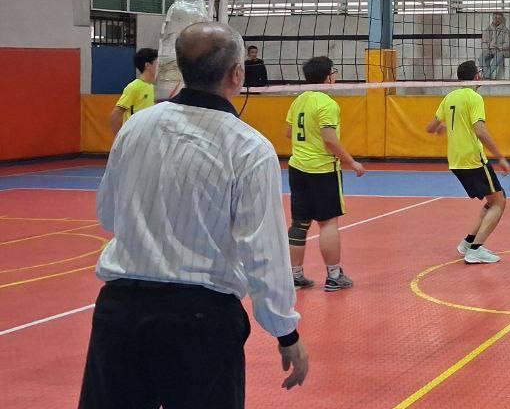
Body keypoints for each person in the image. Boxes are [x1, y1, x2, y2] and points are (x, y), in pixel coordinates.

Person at [80, 22, 307, 409]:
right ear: (237, 74)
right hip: (200, 321)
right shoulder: (249, 148)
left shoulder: (136, 127)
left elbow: (109, 215)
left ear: (181, 68)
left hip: (120, 313)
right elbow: (263, 251)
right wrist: (286, 333)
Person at [285, 56, 364, 291]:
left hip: (297, 167)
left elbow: (289, 132)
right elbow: (329, 139)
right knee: (328, 223)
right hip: (322, 169)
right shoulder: (327, 103)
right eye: (334, 71)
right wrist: (351, 162)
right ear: (328, 76)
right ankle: (334, 276)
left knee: (299, 223)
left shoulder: (299, 100)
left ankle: (295, 276)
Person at [426, 60, 510, 264]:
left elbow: (430, 127)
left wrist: (441, 128)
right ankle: (475, 250)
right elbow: (480, 131)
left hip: (456, 161)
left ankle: (468, 243)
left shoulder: (449, 97)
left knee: (493, 200)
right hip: (473, 159)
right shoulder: (474, 97)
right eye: (479, 71)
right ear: (476, 76)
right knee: (500, 202)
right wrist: (500, 157)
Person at [108, 47, 157, 135]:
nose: (160, 66)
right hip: (135, 137)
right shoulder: (134, 87)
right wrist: (120, 139)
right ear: (147, 65)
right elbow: (115, 116)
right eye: (157, 63)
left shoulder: (156, 88)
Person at [478, 12, 510, 80]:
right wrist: (487, 49)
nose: (497, 20)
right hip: (489, 50)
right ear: (492, 18)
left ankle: (487, 75)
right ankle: (487, 74)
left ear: (502, 19)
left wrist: (498, 47)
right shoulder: (487, 30)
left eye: (499, 18)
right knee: (481, 58)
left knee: (498, 56)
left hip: (500, 51)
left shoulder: (506, 31)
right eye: (495, 18)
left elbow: (507, 44)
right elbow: (483, 43)